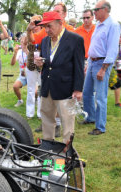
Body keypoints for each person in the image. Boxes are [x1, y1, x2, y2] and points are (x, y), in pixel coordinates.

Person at [34, 11, 85, 143]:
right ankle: (48, 147)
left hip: (66, 89)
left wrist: (78, 89)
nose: (47, 30)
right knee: (46, 120)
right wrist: (40, 63)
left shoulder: (75, 40)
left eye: (49, 26)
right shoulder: (45, 41)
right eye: (45, 27)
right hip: (47, 88)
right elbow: (49, 64)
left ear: (60, 23)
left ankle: (67, 152)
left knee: (67, 122)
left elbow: (79, 67)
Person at [82, 1, 121, 135]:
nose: (94, 12)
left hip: (102, 64)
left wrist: (103, 69)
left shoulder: (113, 25)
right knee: (86, 93)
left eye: (96, 9)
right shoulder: (98, 24)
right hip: (92, 62)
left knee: (100, 97)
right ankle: (91, 117)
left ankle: (100, 127)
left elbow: (112, 50)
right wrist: (88, 63)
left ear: (104, 10)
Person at [25, 15, 43, 120]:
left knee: (41, 89)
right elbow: (25, 45)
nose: (35, 25)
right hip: (31, 63)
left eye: (36, 22)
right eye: (33, 22)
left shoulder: (45, 33)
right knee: (31, 89)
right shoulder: (28, 34)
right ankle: (30, 113)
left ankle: (40, 113)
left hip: (42, 64)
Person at [109, 29, 121, 108]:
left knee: (117, 85)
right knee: (117, 85)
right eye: (120, 37)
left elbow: (119, 58)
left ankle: (117, 103)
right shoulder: (112, 45)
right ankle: (117, 103)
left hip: (113, 67)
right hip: (108, 67)